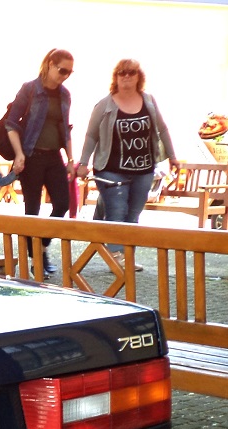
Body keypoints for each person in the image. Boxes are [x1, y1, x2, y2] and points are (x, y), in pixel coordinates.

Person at [76, 59, 180, 271]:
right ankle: (116, 257)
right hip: (110, 169)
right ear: (115, 77)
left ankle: (125, 255)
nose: (126, 76)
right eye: (121, 73)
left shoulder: (148, 101)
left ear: (138, 77)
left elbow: (162, 129)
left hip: (143, 169)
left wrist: (172, 156)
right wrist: (83, 163)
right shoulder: (105, 105)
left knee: (133, 213)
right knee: (117, 210)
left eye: (131, 73)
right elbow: (91, 135)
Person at [5, 48, 77, 275]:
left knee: (63, 204)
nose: (65, 76)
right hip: (31, 155)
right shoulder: (30, 89)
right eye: (62, 70)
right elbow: (11, 123)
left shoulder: (64, 94)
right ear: (49, 64)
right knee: (32, 209)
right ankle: (35, 257)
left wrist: (70, 159)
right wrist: (19, 154)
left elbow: (65, 128)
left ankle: (41, 247)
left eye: (70, 72)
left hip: (54, 155)